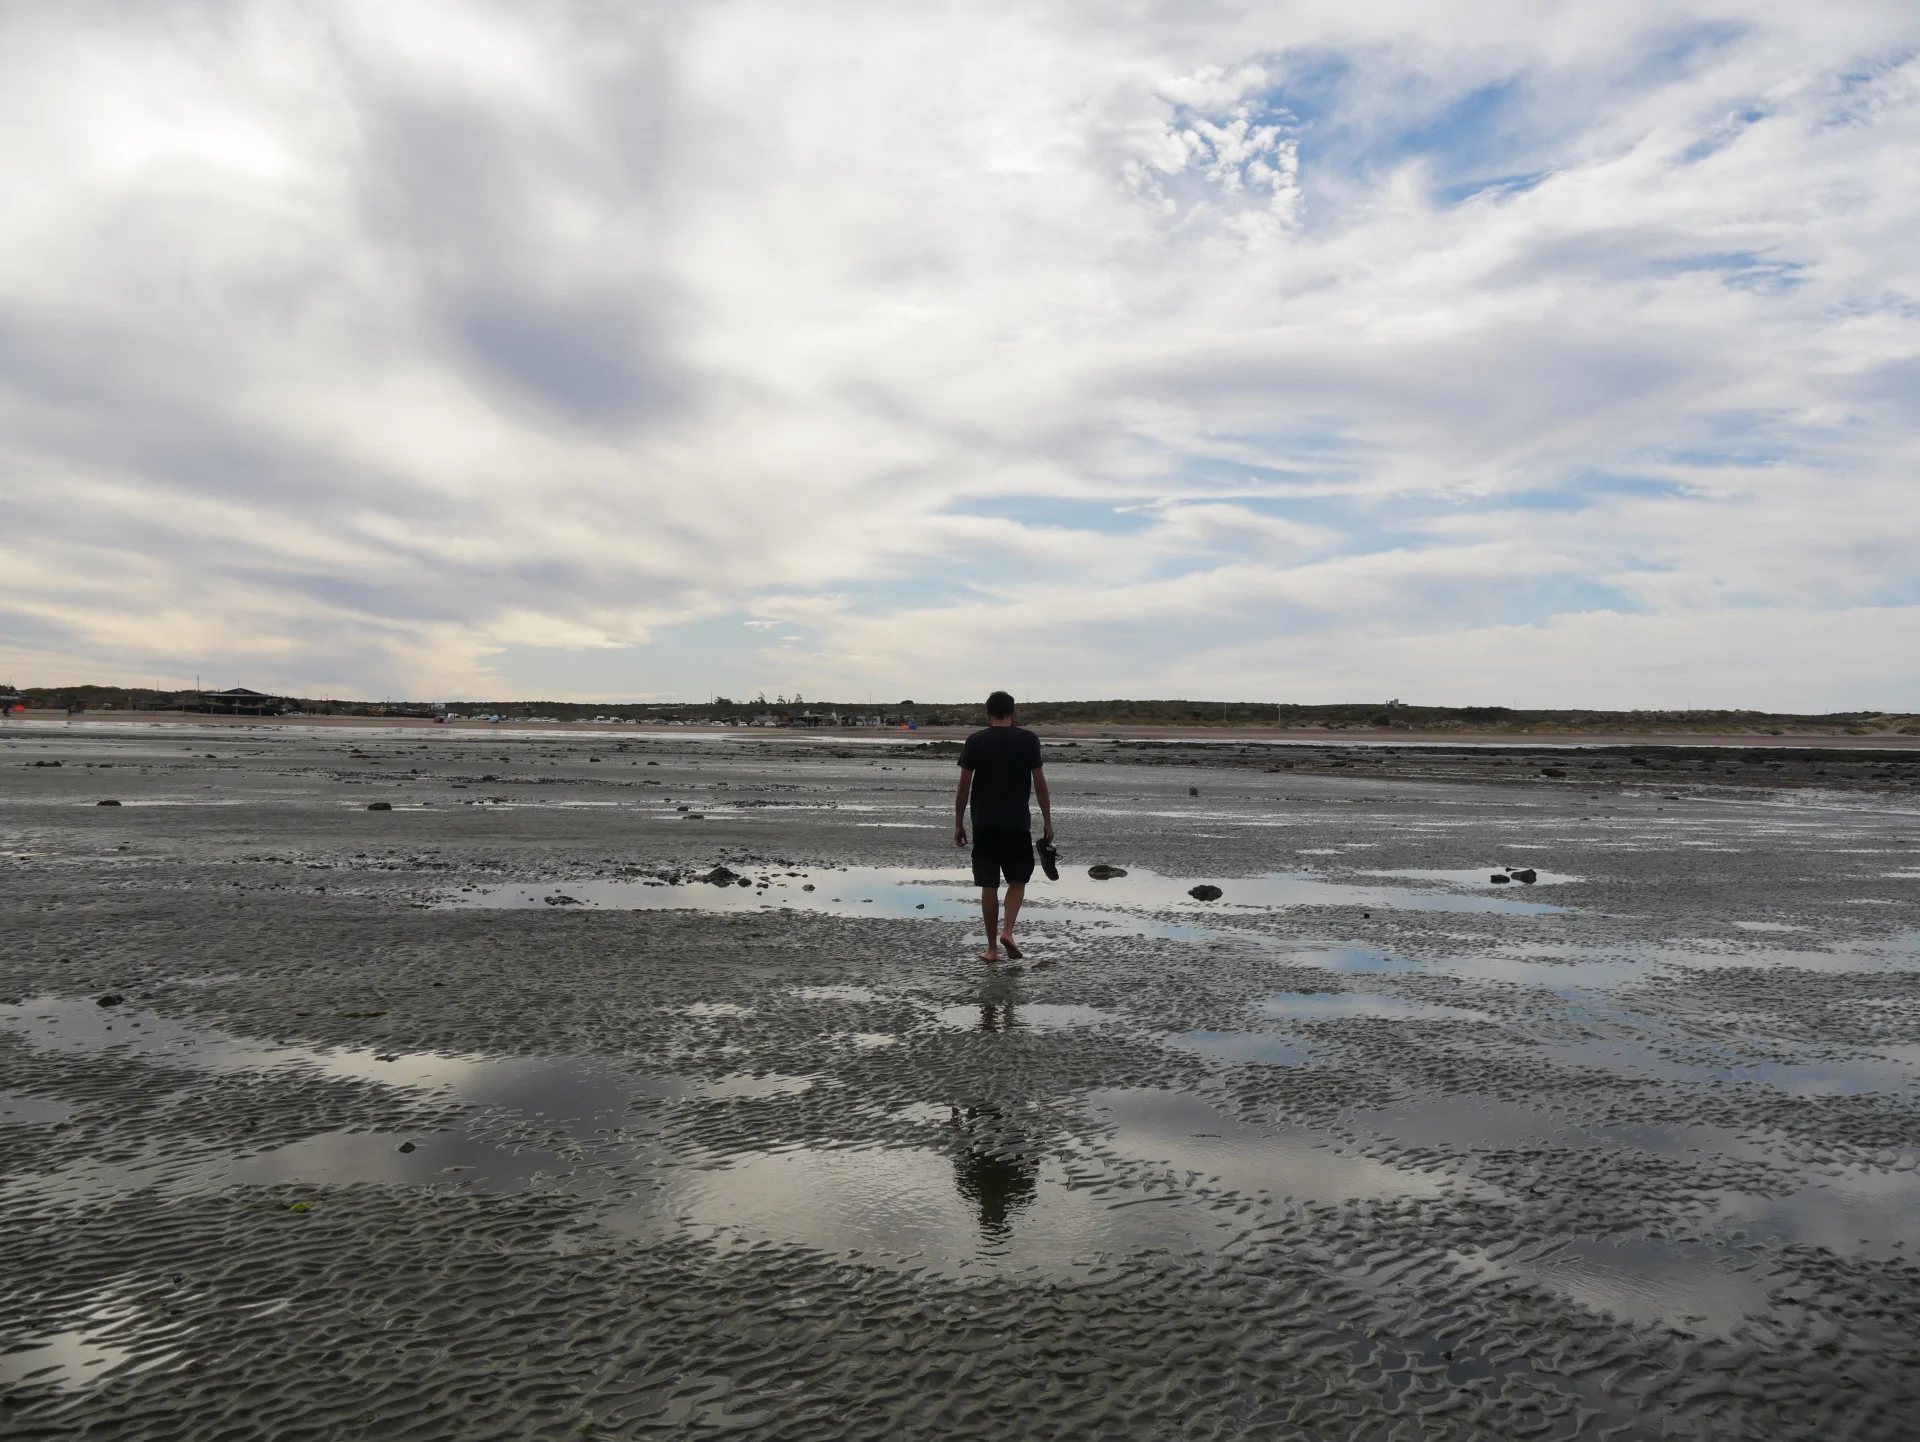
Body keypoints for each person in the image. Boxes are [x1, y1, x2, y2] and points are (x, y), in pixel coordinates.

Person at [953, 690, 1052, 962]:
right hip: (1017, 823)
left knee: (988, 884)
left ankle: (992, 949)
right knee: (1018, 879)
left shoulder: (975, 741)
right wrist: (1047, 820)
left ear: (987, 714)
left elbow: (963, 789)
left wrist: (959, 823)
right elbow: (1040, 784)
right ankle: (1007, 931)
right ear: (1013, 713)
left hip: (984, 823)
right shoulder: (1028, 740)